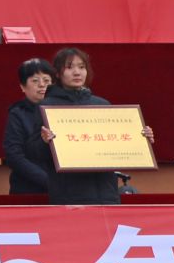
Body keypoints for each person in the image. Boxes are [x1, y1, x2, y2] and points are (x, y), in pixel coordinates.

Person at [40, 47, 154, 205]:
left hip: (106, 192)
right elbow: (32, 151)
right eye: (69, 67)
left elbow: (116, 142)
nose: (77, 72)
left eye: (81, 67)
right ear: (58, 73)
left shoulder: (102, 104)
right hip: (69, 194)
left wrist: (141, 138)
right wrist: (45, 141)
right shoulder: (47, 107)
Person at [2, 58, 57, 197]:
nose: (42, 85)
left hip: (63, 187)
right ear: (22, 87)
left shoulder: (62, 111)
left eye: (46, 80)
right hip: (28, 187)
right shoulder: (17, 114)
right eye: (35, 81)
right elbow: (14, 157)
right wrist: (48, 181)